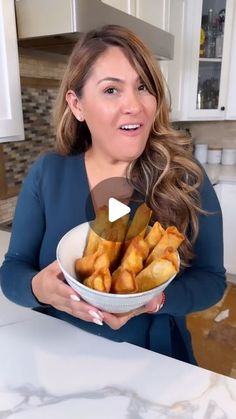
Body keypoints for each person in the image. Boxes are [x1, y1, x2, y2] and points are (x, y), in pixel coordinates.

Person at [0, 24, 226, 365]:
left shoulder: (185, 177)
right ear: (77, 105)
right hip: (57, 358)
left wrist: (158, 300)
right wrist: (37, 288)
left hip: (156, 361)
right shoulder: (48, 174)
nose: (134, 105)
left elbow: (212, 281)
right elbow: (13, 270)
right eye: (111, 90)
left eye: (143, 87)